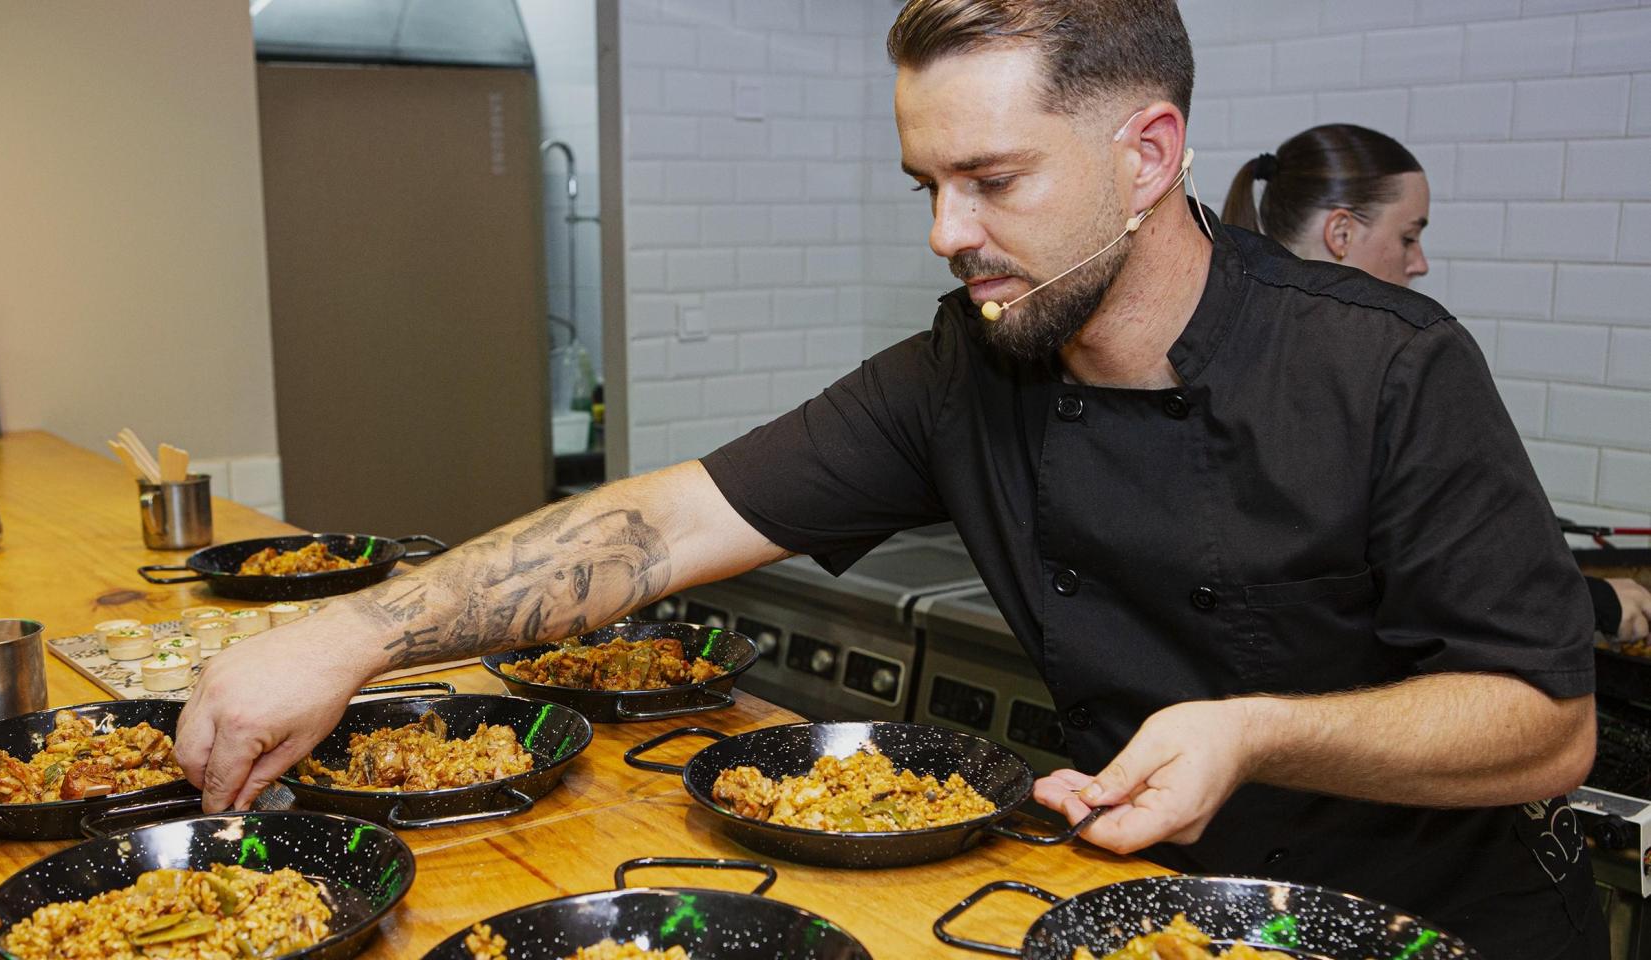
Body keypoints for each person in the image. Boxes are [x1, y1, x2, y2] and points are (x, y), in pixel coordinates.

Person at [176, 2, 1604, 955]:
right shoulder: (964, 369)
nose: (944, 233)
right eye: (922, 183)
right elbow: (662, 519)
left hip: (1422, 928)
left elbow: (1544, 728)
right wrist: (348, 633)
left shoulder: (1383, 366)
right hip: (1128, 911)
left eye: (990, 179)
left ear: (1147, 155)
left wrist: (1250, 733)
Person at [1223, 122, 1651, 644]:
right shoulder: (1384, 370)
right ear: (1340, 234)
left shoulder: (1231, 345)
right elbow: (1446, 573)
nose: (1419, 263)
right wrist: (1597, 604)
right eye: (1408, 236)